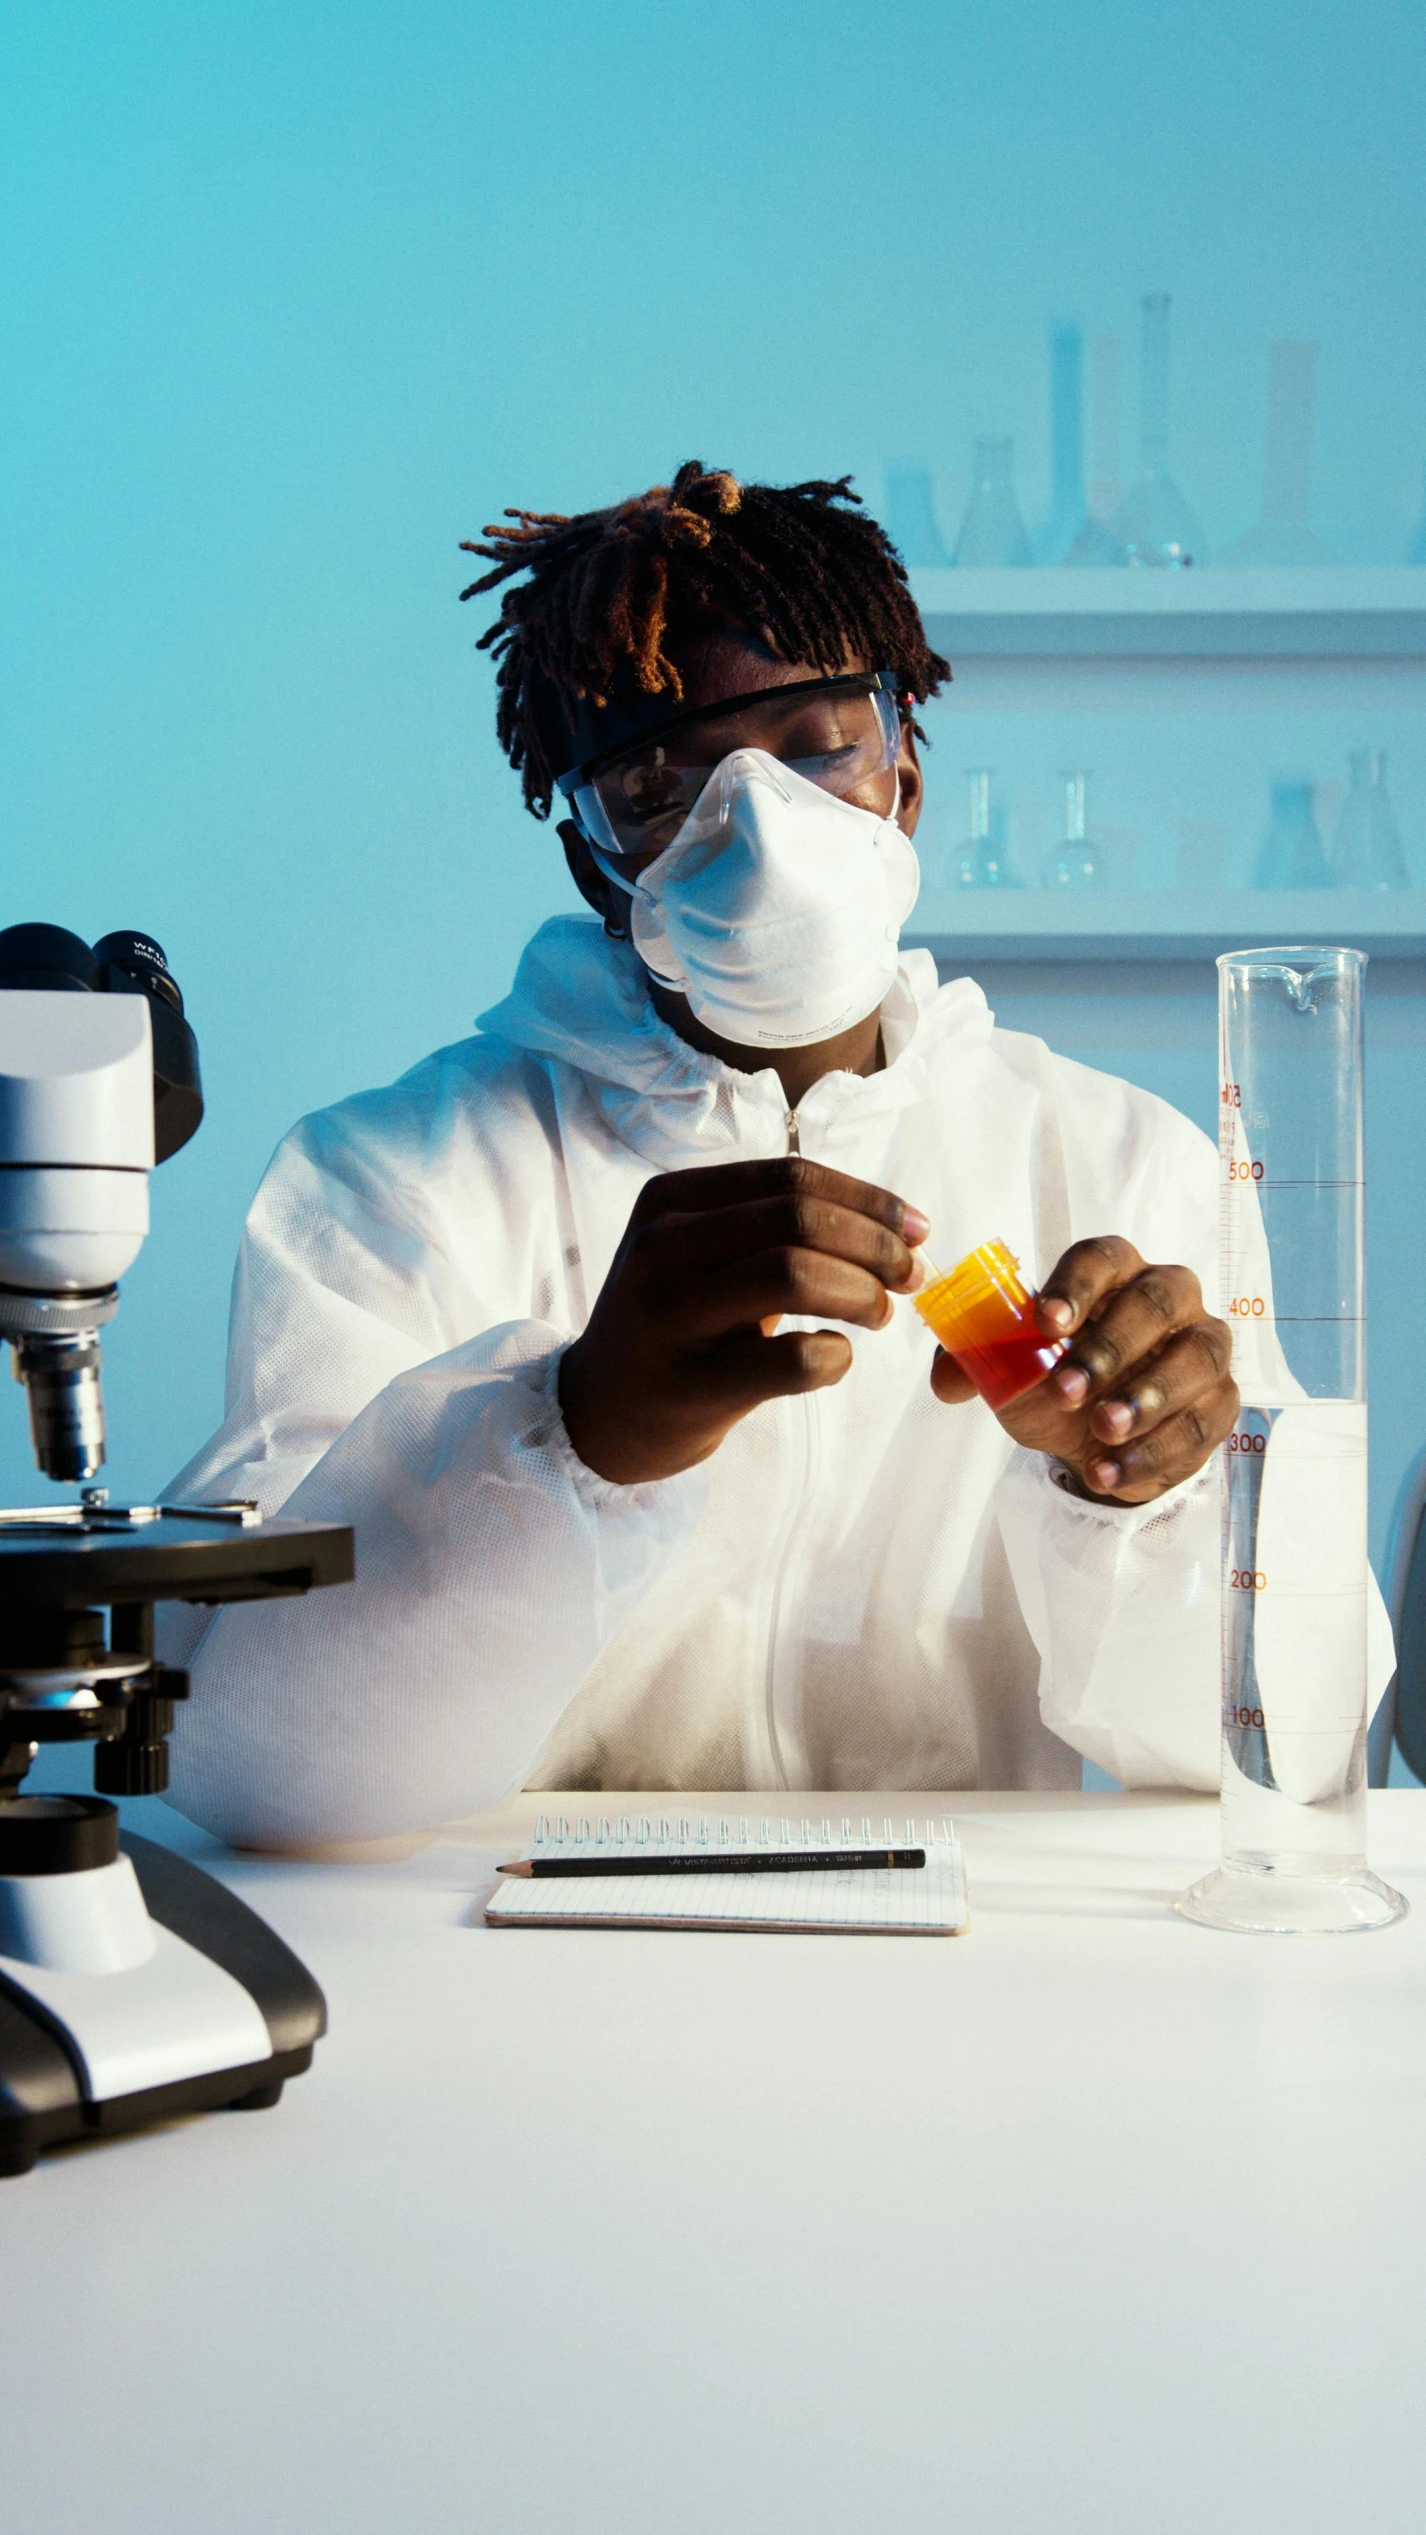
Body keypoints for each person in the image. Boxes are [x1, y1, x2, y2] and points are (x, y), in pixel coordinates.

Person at [161, 462, 1247, 1848]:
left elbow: (1293, 1731)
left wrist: (1139, 1493)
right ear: (594, 867)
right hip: (506, 1977)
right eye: (654, 779)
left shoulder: (1116, 1163)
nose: (758, 822)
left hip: (961, 1986)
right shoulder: (388, 1181)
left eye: (813, 741)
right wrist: (570, 1435)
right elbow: (252, 1763)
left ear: (904, 779)